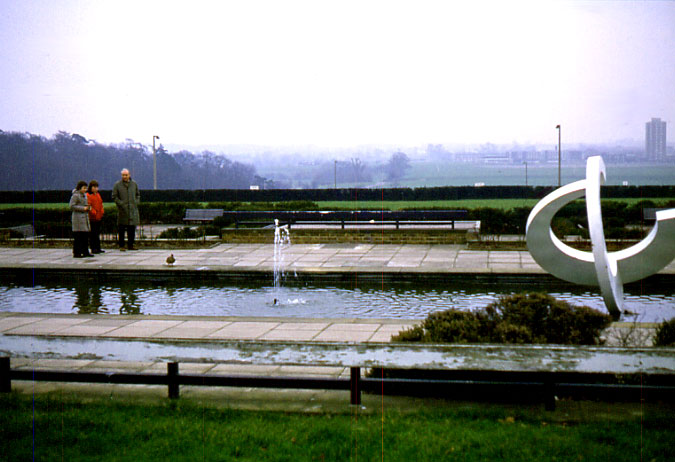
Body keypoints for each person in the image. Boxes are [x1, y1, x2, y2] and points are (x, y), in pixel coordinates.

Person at [112, 168, 140, 251]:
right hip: (122, 211)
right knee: (121, 229)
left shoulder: (134, 184)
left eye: (126, 175)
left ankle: (131, 245)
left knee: (132, 229)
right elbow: (114, 197)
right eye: (123, 175)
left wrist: (136, 202)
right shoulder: (117, 185)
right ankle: (121, 245)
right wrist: (121, 204)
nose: (125, 176)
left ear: (129, 175)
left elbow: (138, 195)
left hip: (132, 210)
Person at [69, 180, 93, 258]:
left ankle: (85, 251)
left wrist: (88, 208)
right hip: (78, 219)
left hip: (84, 218)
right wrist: (83, 208)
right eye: (84, 188)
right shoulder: (75, 196)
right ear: (79, 188)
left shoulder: (84, 195)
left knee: (85, 236)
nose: (85, 190)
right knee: (78, 236)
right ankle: (77, 252)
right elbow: (71, 206)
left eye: (86, 188)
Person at [86, 180, 105, 254]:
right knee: (93, 234)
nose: (96, 189)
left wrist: (102, 211)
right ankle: (93, 248)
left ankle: (98, 247)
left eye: (97, 187)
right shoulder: (88, 195)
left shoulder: (97, 194)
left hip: (98, 217)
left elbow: (101, 203)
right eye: (94, 187)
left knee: (97, 233)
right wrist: (94, 212)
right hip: (92, 218)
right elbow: (89, 206)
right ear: (91, 187)